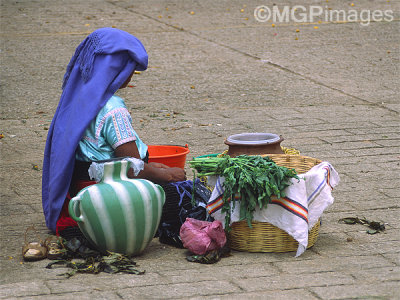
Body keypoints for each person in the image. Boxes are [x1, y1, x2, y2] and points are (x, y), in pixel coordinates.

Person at [42, 28, 186, 237]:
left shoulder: (73, 98)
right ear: (116, 69)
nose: (131, 74)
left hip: (82, 192)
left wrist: (152, 167)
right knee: (183, 194)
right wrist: (167, 175)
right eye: (130, 68)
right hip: (112, 196)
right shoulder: (114, 109)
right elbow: (132, 167)